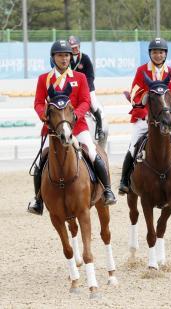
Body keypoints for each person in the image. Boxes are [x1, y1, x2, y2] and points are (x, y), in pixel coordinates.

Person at [27, 40, 116, 215]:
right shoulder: (44, 79)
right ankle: (38, 200)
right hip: (52, 130)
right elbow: (38, 102)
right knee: (40, 161)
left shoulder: (80, 78)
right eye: (60, 55)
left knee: (92, 153)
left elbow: (85, 101)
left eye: (67, 55)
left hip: (78, 128)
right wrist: (42, 114)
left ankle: (107, 189)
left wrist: (76, 115)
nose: (64, 58)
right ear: (53, 57)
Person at [118, 38, 171, 195]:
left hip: (164, 118)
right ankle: (124, 181)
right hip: (143, 118)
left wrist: (164, 115)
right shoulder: (141, 71)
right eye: (154, 52)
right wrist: (146, 114)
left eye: (161, 52)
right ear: (150, 54)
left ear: (165, 54)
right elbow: (135, 94)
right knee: (133, 147)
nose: (158, 55)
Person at [68, 35, 105, 139]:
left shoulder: (85, 58)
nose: (74, 49)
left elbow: (91, 76)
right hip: (71, 89)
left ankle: (100, 129)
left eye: (76, 47)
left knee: (93, 105)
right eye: (72, 47)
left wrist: (85, 88)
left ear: (79, 46)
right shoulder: (67, 59)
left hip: (87, 88)